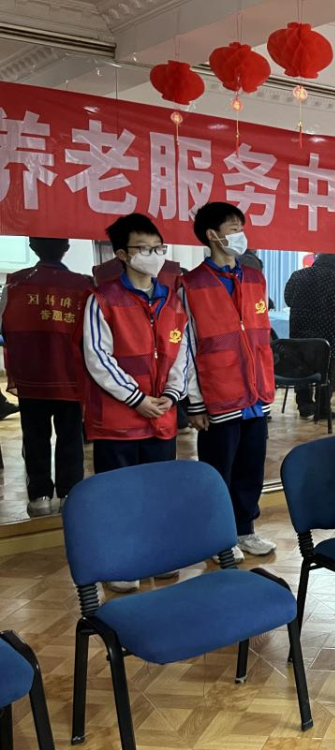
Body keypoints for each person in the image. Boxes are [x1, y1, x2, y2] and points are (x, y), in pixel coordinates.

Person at [83, 214, 191, 592]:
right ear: (122, 255)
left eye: (158, 248)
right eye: (144, 248)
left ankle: (158, 554)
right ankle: (119, 561)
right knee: (119, 495)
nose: (154, 255)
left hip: (161, 416)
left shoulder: (172, 301)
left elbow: (180, 354)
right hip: (119, 419)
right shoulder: (103, 300)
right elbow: (98, 357)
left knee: (158, 491)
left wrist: (171, 395)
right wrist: (136, 398)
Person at [182, 202, 276, 561]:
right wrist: (195, 403)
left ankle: (245, 530)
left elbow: (260, 335)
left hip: (255, 393)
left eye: (241, 227)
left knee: (251, 469)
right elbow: (187, 348)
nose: (240, 234)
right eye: (233, 228)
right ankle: (218, 539)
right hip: (218, 394)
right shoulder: (190, 285)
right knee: (219, 471)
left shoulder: (254, 278)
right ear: (212, 235)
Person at [0, 238, 93, 517]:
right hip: (69, 375)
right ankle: (69, 494)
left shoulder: (15, 283)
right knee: (70, 437)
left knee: (35, 437)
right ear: (66, 248)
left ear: (31, 246)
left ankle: (39, 496)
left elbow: (4, 328)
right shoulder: (83, 285)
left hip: (31, 376)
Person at [283, 253, 335, 420]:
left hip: (300, 334)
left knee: (301, 370)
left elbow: (288, 300)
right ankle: (323, 409)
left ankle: (304, 405)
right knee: (326, 373)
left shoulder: (297, 275)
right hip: (326, 337)